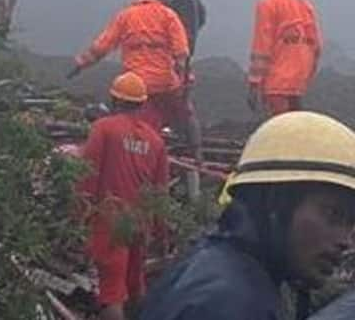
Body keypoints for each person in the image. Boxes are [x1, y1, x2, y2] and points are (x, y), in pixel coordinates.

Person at [138, 111, 355, 320]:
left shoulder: (213, 267)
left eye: (351, 223)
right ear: (275, 204)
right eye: (332, 215)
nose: (345, 241)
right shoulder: (229, 305)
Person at [70, 0, 196, 200]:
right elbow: (181, 53)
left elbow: (102, 46)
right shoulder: (169, 16)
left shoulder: (126, 16)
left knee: (139, 133)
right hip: (165, 85)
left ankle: (138, 170)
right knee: (185, 118)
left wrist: (81, 63)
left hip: (135, 89)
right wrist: (184, 80)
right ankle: (194, 158)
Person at [75, 72, 170, 320]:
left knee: (112, 294)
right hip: (139, 224)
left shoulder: (104, 129)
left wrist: (78, 218)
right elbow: (160, 194)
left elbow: (88, 176)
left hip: (110, 221)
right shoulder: (156, 141)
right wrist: (161, 234)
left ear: (114, 100)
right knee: (135, 287)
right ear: (142, 103)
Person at [248, 0, 323, 117]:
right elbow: (316, 47)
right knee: (295, 125)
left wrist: (254, 83)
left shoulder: (267, 4)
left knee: (279, 127)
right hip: (299, 81)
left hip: (277, 80)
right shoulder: (306, 6)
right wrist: (306, 75)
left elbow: (262, 47)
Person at [162, 0, 207, 201]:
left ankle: (164, 147)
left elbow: (162, 16)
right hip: (187, 52)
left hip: (172, 54)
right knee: (184, 101)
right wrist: (190, 37)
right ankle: (195, 151)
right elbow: (203, 15)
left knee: (164, 96)